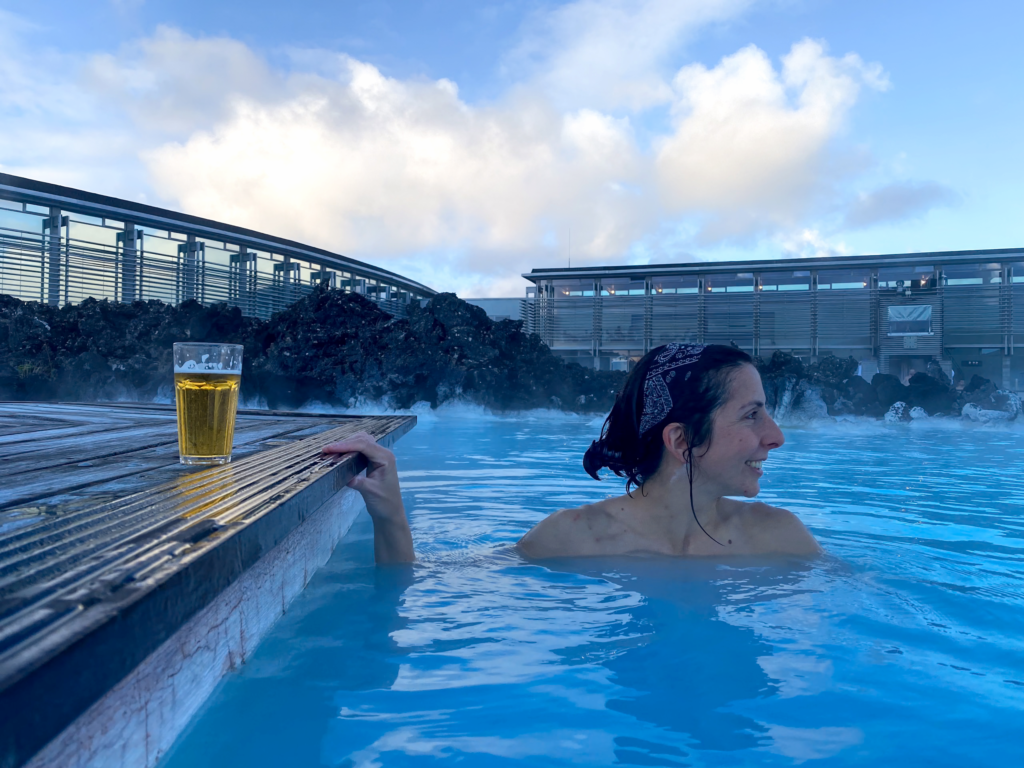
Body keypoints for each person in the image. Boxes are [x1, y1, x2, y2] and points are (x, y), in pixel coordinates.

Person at [517, 343, 821, 558]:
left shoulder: (780, 537)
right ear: (681, 441)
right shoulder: (567, 539)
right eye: (751, 415)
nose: (776, 437)